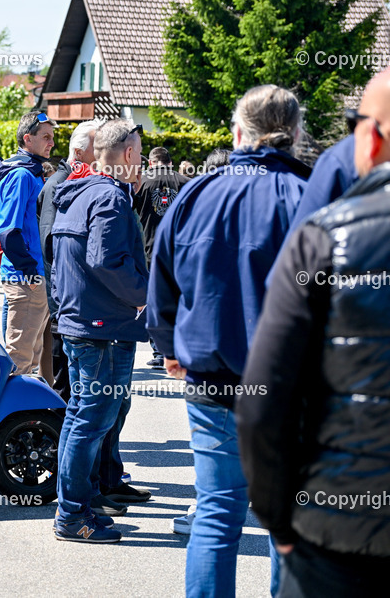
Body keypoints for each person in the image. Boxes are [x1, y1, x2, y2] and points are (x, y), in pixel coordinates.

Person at [147, 85, 311, 595]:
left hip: (212, 380)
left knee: (217, 513)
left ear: (239, 133)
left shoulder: (197, 194)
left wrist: (170, 346)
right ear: (297, 136)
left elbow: (163, 278)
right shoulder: (312, 195)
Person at [238, 73, 390, 598]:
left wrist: (279, 520)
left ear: (369, 138)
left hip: (341, 527)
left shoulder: (324, 237)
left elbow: (265, 397)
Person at [50, 118, 149, 543]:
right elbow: (105, 259)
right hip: (101, 324)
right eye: (139, 154)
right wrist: (143, 294)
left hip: (84, 320)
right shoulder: (108, 197)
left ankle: (80, 505)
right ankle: (72, 514)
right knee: (92, 419)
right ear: (127, 154)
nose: (141, 161)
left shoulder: (81, 191)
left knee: (82, 418)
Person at [37, 120, 102, 397]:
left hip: (73, 298)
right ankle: (60, 437)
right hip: (66, 300)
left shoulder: (76, 180)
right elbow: (50, 244)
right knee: (66, 382)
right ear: (78, 153)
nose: (102, 155)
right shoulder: (59, 184)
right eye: (97, 149)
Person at [0, 112, 53, 378]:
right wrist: (31, 273)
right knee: (19, 361)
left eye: (53, 137)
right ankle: (13, 418)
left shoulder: (30, 171)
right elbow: (8, 231)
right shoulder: (22, 175)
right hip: (26, 278)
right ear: (28, 139)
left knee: (27, 358)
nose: (52, 143)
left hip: (30, 276)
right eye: (46, 137)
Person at [133, 146, 189, 368]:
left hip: (150, 249)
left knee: (153, 301)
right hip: (179, 250)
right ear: (170, 163)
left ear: (150, 163)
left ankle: (158, 350)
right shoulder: (186, 182)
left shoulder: (142, 182)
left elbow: (130, 212)